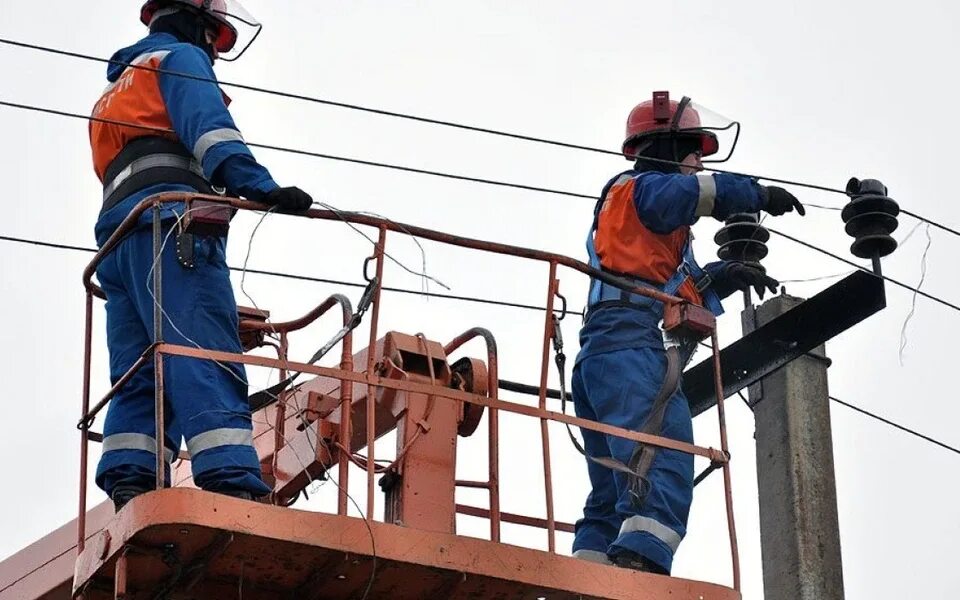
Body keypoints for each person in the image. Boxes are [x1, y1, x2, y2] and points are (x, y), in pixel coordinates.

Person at [89, 0, 313, 510]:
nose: (214, 50)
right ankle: (231, 482)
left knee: (142, 368)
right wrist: (262, 188)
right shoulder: (180, 61)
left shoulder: (116, 89)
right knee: (201, 351)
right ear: (198, 24)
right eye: (215, 37)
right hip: (172, 229)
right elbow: (211, 131)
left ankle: (132, 482)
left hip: (119, 241)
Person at [572, 91, 804, 573]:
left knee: (615, 482)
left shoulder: (645, 227)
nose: (697, 162)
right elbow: (692, 194)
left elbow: (679, 288)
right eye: (694, 148)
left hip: (602, 354)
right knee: (667, 455)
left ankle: (588, 574)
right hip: (630, 349)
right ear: (666, 145)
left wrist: (725, 275)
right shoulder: (644, 190)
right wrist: (756, 194)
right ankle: (640, 566)